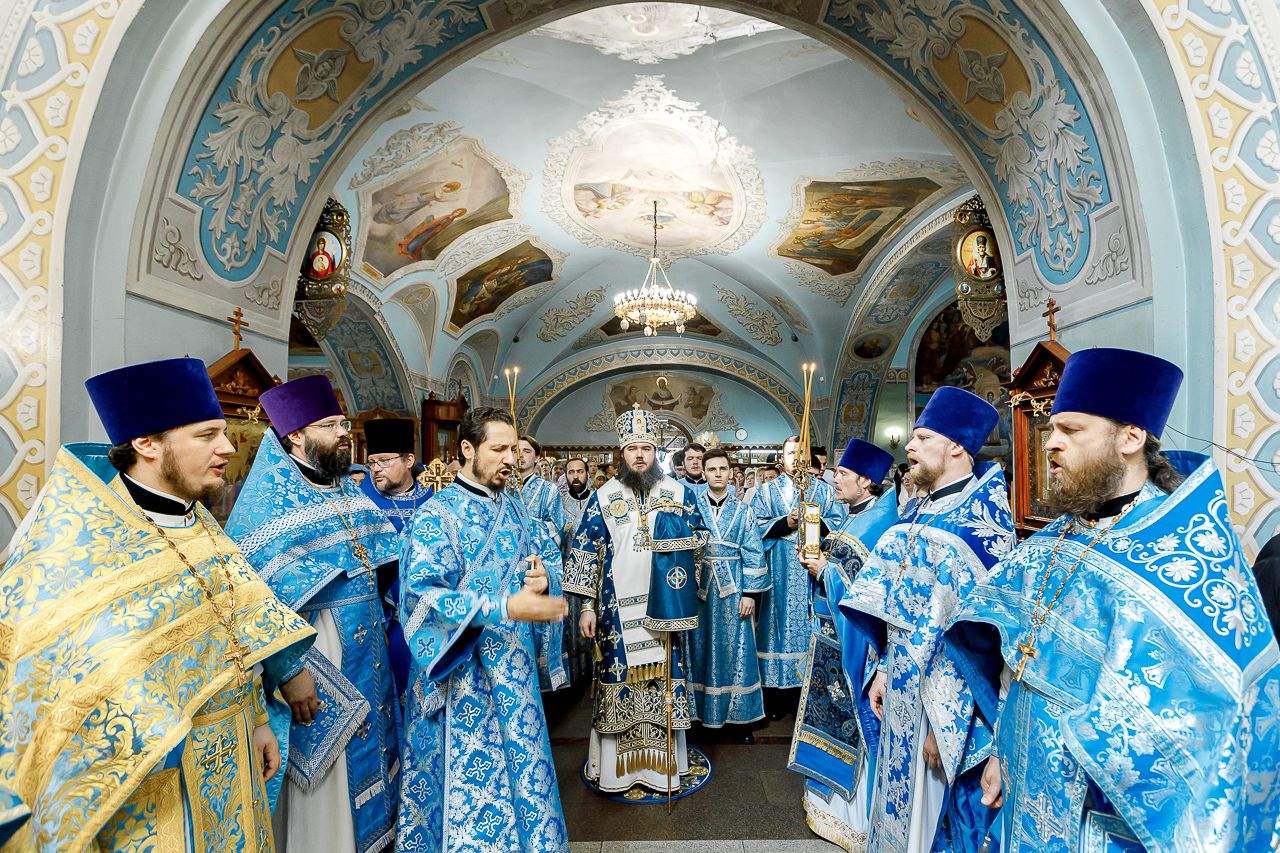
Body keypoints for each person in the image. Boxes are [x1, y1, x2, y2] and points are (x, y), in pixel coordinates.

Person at [946, 349, 1280, 852]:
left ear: (1131, 438)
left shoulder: (1183, 556)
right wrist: (999, 750)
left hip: (1107, 818)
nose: (1051, 443)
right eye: (1051, 429)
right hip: (1024, 782)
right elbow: (1015, 662)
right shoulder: (1048, 544)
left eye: (1071, 430)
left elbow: (1215, 732)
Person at [0, 358, 314, 850]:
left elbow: (233, 633)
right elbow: (49, 678)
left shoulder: (200, 523)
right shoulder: (74, 543)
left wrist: (255, 721)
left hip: (232, 754)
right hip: (148, 782)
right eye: (207, 435)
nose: (228, 448)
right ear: (147, 443)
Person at [227, 375, 400, 853]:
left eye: (343, 424)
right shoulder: (266, 505)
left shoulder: (347, 490)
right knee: (327, 790)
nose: (344, 434)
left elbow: (383, 563)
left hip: (369, 654)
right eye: (330, 426)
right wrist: (290, 670)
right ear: (295, 436)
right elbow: (251, 604)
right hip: (317, 664)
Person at [839, 387, 1013, 853]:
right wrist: (882, 668)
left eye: (922, 437)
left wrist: (947, 725)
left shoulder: (981, 524)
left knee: (926, 818)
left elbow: (984, 642)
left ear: (955, 446)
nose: (910, 446)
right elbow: (899, 607)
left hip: (943, 705)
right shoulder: (921, 508)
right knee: (893, 805)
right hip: (899, 685)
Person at [396, 407, 570, 851]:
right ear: (468, 449)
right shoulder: (436, 516)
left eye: (513, 449)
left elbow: (544, 555)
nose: (511, 459)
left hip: (515, 670)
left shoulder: (515, 507)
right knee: (475, 788)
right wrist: (503, 606)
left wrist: (543, 578)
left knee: (524, 773)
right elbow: (421, 599)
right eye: (499, 449)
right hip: (462, 678)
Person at [565, 406, 709, 793]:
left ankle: (663, 769)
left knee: (664, 681)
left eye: (646, 448)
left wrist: (677, 538)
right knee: (618, 678)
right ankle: (619, 771)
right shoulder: (604, 496)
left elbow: (701, 538)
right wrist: (586, 607)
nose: (640, 455)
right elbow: (586, 551)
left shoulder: (677, 492)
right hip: (615, 611)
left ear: (656, 452)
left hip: (665, 608)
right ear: (622, 453)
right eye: (633, 449)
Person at [791, 438, 897, 851]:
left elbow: (867, 599)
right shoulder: (857, 517)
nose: (835, 479)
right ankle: (828, 803)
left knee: (852, 719)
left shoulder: (877, 525)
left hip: (854, 646)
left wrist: (825, 571)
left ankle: (854, 816)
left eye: (844, 474)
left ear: (866, 481)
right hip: (829, 639)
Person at [750, 437, 846, 719]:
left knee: (809, 626)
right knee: (774, 628)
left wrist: (814, 522)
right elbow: (753, 526)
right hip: (778, 568)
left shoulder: (824, 490)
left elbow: (838, 524)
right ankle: (775, 698)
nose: (796, 457)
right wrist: (786, 522)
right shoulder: (766, 491)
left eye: (801, 452)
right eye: (791, 452)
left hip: (811, 571)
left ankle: (808, 696)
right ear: (782, 457)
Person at [687, 448, 768, 740]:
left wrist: (750, 595)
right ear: (704, 473)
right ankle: (697, 717)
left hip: (734, 591)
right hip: (699, 590)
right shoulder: (692, 508)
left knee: (738, 650)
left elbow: (754, 552)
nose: (718, 474)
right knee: (699, 648)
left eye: (722, 469)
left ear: (731, 473)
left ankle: (740, 720)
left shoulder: (744, 510)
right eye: (712, 469)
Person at [359, 417, 432, 702]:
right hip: (390, 622)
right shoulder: (362, 503)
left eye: (384, 461)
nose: (376, 469)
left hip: (435, 618)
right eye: (371, 462)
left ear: (409, 460)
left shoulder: (435, 499)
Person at [515, 433, 568, 692]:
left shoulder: (548, 490)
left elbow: (557, 529)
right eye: (516, 450)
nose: (520, 456)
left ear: (537, 458)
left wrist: (527, 525)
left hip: (537, 566)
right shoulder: (502, 487)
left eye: (526, 451)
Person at [560, 457, 596, 685]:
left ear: (587, 474)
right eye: (571, 472)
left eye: (580, 471)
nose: (576, 476)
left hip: (594, 575)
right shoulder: (559, 502)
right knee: (570, 625)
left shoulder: (598, 500)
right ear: (565, 475)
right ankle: (575, 678)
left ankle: (595, 674)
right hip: (567, 574)